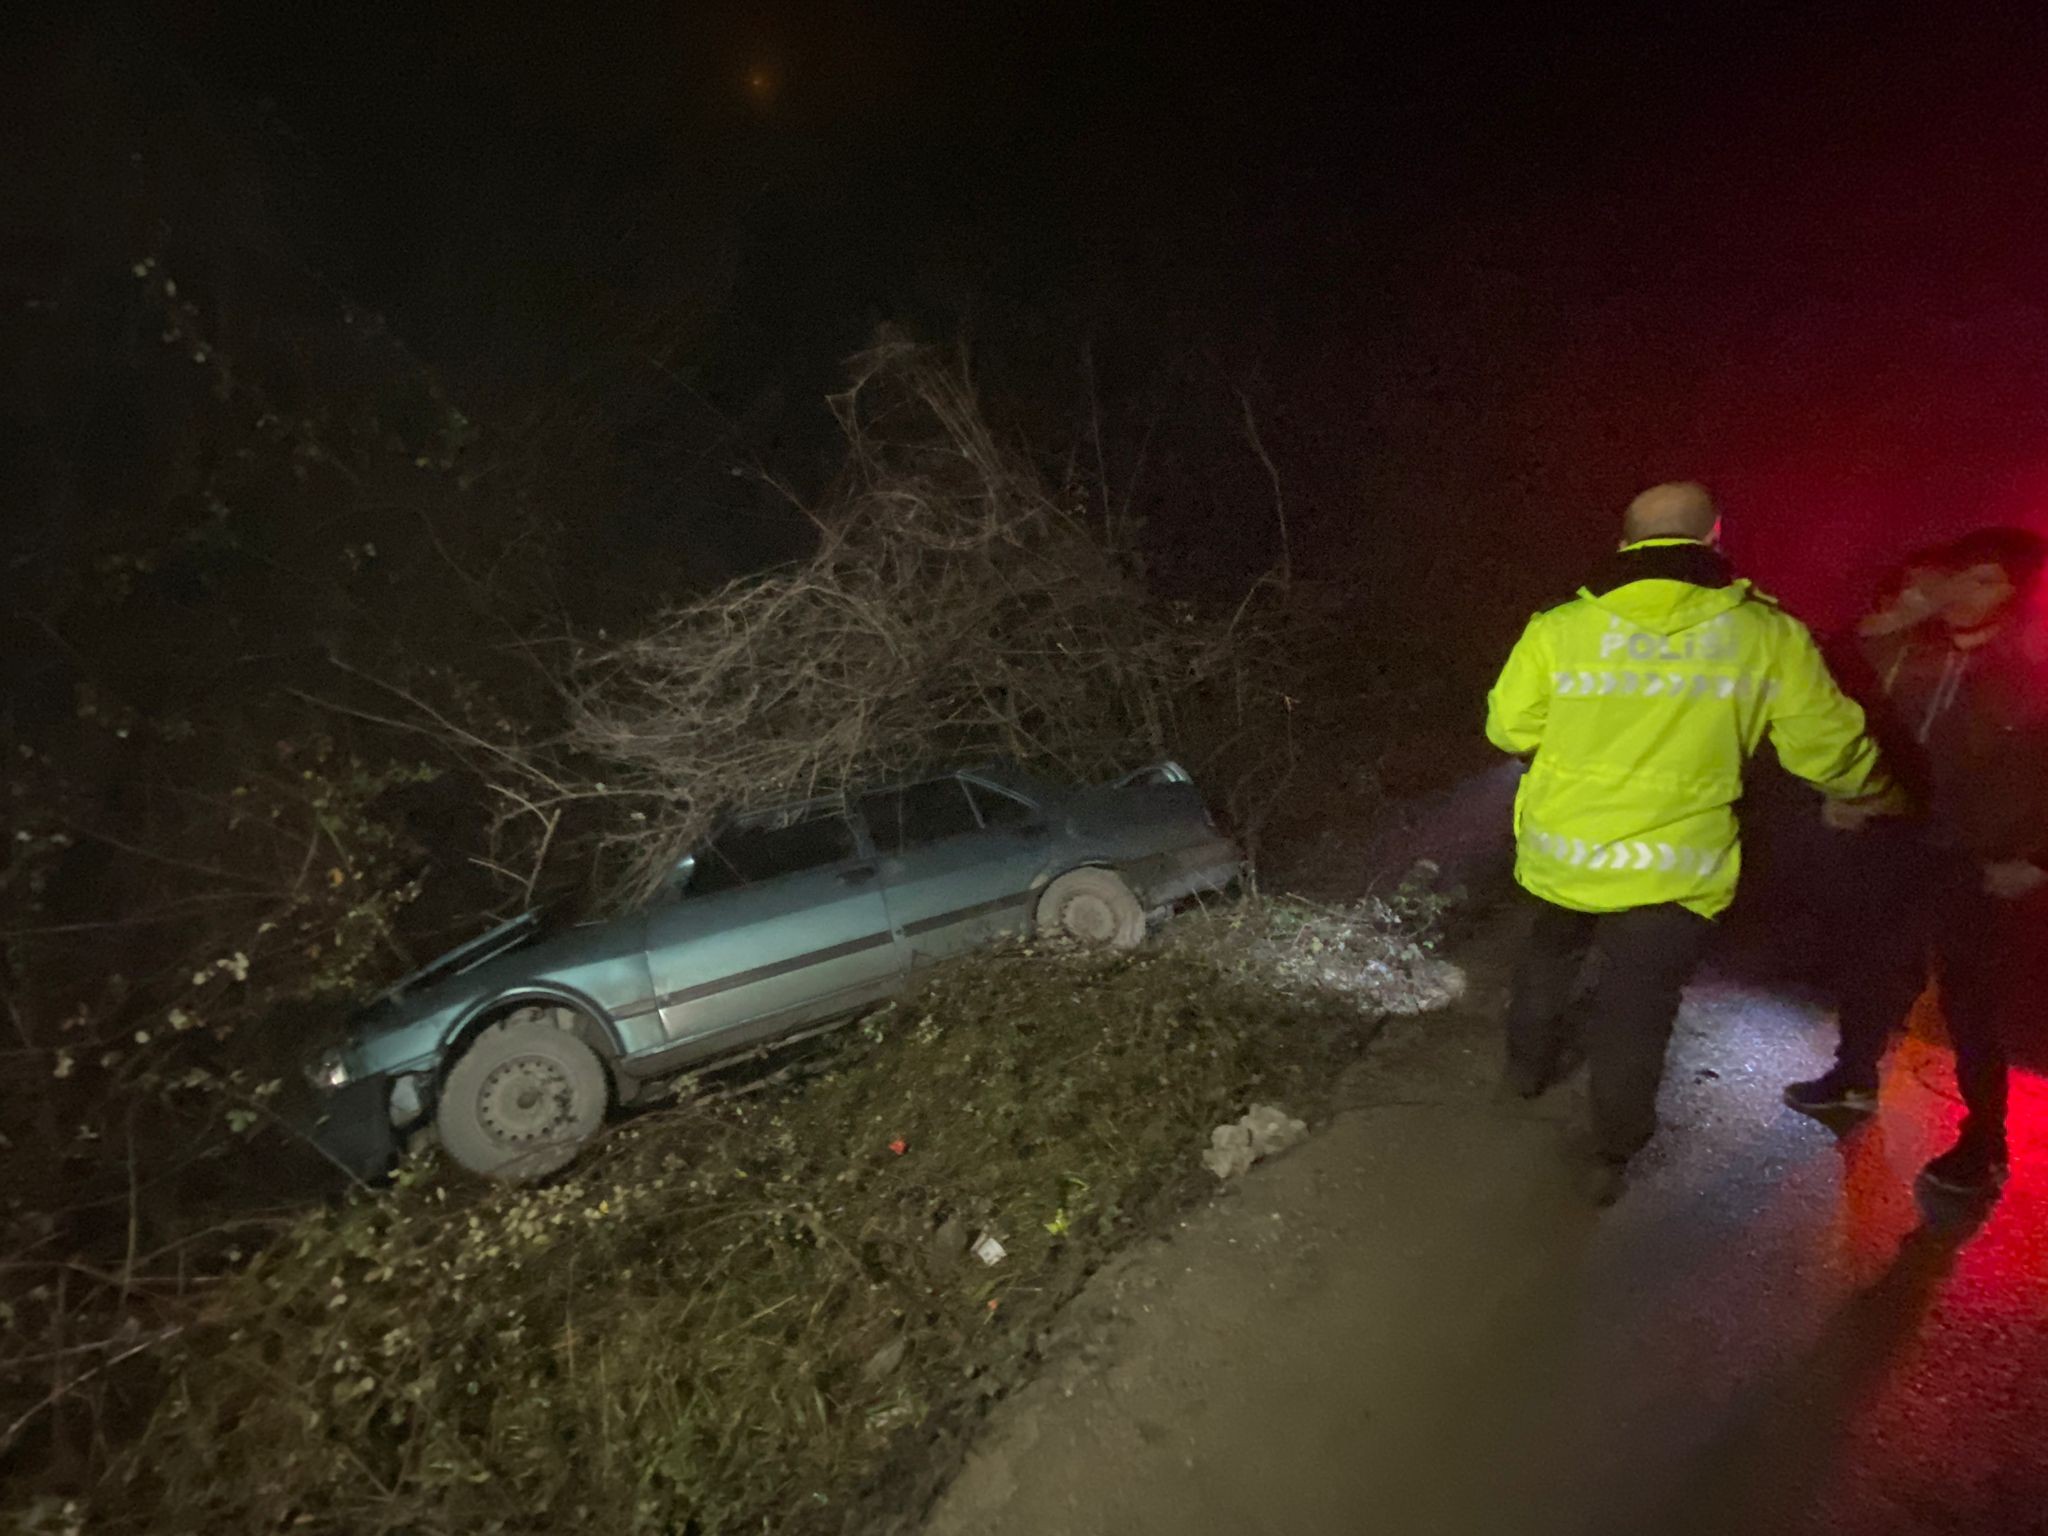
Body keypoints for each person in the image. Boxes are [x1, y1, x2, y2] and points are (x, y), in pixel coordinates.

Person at [1486, 482, 1897, 1202]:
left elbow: (1509, 730)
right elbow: (1824, 748)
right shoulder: (1765, 633)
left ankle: (1525, 1073)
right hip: (1672, 872)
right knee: (1635, 1016)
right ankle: (1609, 1155)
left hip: (1563, 854)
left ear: (1625, 544)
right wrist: (1878, 790)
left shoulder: (1561, 627)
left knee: (1546, 968)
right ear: (1713, 538)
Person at [1784, 526, 2048, 1196]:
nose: (1964, 592)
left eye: (1985, 580)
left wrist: (2039, 859)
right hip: (1897, 834)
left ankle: (1985, 1142)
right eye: (1959, 575)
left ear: (2016, 593)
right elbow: (1828, 685)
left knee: (1971, 1002)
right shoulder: (1910, 647)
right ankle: (1851, 1077)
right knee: (1870, 960)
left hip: (1982, 856)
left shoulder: (2032, 666)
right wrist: (1848, 792)